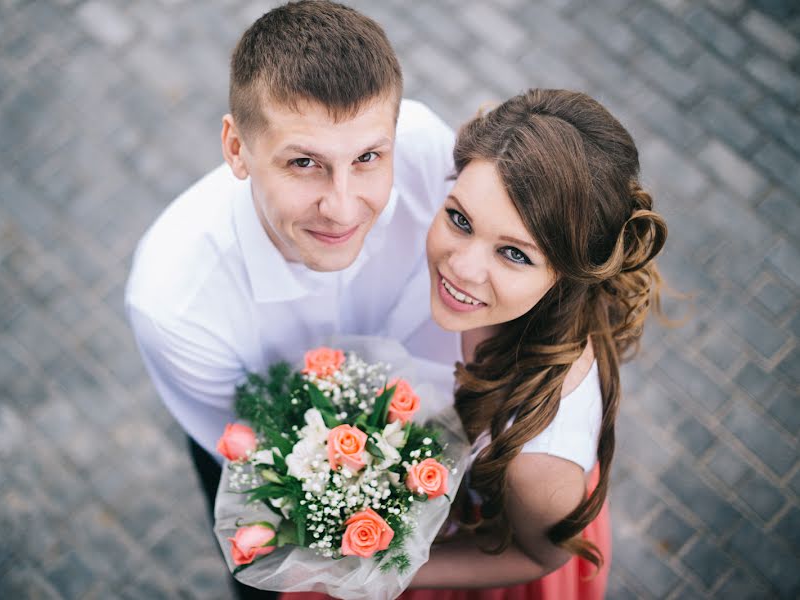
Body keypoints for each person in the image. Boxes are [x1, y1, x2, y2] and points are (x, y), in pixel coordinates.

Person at [124, 2, 460, 599]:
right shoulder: (173, 304)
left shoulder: (429, 151)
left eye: (367, 159)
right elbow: (260, 467)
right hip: (280, 478)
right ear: (236, 148)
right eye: (304, 164)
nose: (342, 205)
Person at [284, 89, 667, 600]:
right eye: (460, 219)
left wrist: (392, 572)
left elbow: (538, 555)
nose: (459, 267)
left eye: (513, 253)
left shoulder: (542, 459)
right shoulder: (499, 306)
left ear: (568, 275)